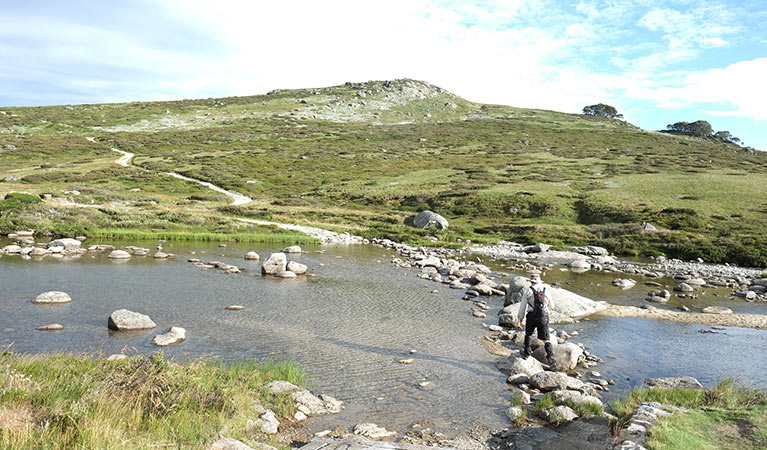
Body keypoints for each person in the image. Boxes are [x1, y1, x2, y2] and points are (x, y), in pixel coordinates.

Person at [517, 273, 555, 365]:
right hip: (543, 316)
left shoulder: (528, 291)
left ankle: (526, 353)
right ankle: (550, 356)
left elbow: (523, 306)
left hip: (532, 315)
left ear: (531, 282)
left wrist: (520, 319)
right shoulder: (546, 290)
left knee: (528, 334)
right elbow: (552, 306)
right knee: (546, 339)